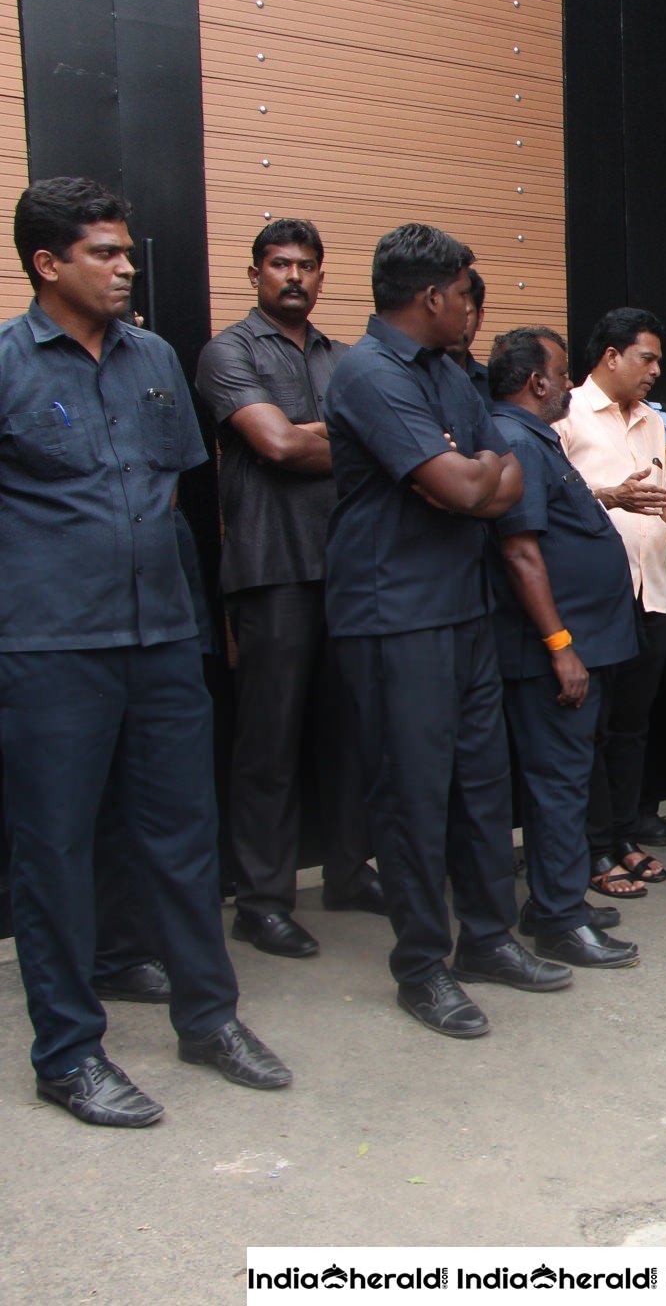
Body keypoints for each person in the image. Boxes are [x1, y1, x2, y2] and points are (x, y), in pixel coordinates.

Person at [0, 177, 289, 1126]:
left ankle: (209, 1020)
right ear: (48, 263)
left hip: (163, 638)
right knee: (55, 850)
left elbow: (170, 496)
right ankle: (68, 1054)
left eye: (128, 251)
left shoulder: (157, 357)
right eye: (105, 253)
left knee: (182, 837)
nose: (128, 268)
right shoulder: (7, 364)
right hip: (50, 649)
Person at [327, 223, 566, 1039]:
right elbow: (465, 484)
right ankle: (422, 965)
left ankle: (489, 940)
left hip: (463, 609)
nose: (473, 307)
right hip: (395, 617)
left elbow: (500, 471)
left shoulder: (453, 373)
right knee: (413, 798)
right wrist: (466, 477)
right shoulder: (366, 374)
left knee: (479, 788)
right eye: (466, 292)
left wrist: (468, 477)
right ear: (432, 296)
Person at [193, 218, 385, 956]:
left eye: (307, 265)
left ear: (322, 276)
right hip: (272, 569)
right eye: (280, 265)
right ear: (255, 275)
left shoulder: (344, 359)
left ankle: (346, 869)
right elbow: (273, 444)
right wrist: (338, 438)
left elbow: (375, 446)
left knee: (350, 734)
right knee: (268, 745)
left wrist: (318, 437)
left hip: (349, 569)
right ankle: (263, 901)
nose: (294, 277)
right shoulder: (227, 352)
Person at [486, 327, 644, 967]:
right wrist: (560, 646)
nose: (570, 386)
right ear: (538, 382)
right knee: (558, 784)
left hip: (579, 644)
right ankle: (558, 919)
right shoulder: (516, 440)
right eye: (561, 372)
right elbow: (521, 552)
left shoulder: (529, 439)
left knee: (565, 780)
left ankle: (553, 898)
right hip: (554, 654)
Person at [559, 306, 666, 897]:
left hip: (650, 589)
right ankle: (592, 846)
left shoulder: (655, 422)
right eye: (646, 358)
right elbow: (547, 497)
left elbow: (656, 497)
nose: (656, 369)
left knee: (633, 726)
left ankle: (624, 835)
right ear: (611, 357)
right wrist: (611, 496)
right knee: (592, 729)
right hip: (594, 601)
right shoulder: (566, 412)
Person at [448, 266, 489, 401]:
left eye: (465, 312)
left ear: (480, 318)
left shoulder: (494, 385)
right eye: (449, 311)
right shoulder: (408, 378)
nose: (456, 320)